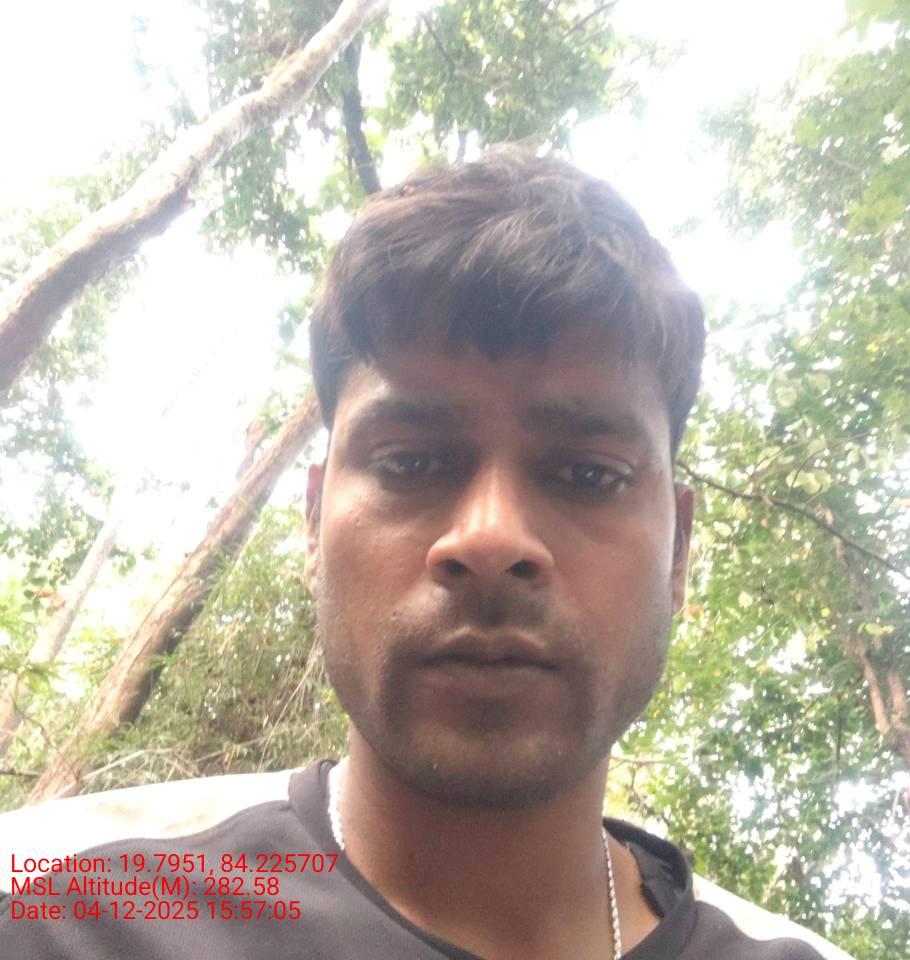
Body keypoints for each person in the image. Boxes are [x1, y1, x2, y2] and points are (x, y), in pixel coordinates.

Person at [0, 148, 853, 960]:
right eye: (411, 462)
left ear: (678, 554)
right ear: (313, 525)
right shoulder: (64, 921)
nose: (490, 538)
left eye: (588, 474)